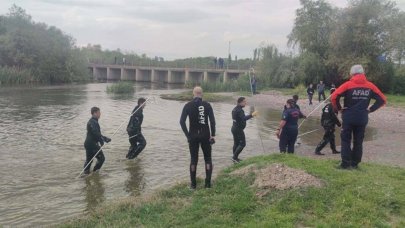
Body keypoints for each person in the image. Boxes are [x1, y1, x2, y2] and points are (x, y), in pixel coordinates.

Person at [331, 64, 386, 169]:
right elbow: (382, 99)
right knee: (358, 141)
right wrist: (370, 109)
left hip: (348, 117)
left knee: (346, 140)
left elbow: (334, 96)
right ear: (363, 73)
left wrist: (339, 108)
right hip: (362, 117)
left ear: (352, 74)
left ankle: (345, 164)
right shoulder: (370, 86)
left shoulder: (347, 85)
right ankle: (355, 163)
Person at [180, 87, 216, 189]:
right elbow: (212, 122)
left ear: (193, 94)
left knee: (193, 160)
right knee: (208, 159)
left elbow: (181, 122)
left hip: (193, 136)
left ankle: (193, 185)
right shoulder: (207, 105)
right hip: (205, 136)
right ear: (202, 94)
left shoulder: (188, 105)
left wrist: (188, 136)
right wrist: (213, 135)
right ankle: (208, 184)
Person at [83, 107, 111, 175]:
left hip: (88, 143)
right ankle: (95, 173)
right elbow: (96, 133)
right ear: (95, 113)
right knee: (101, 158)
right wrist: (103, 140)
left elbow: (96, 134)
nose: (100, 114)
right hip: (92, 144)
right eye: (99, 112)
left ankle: (86, 174)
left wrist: (104, 138)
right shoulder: (93, 122)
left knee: (89, 160)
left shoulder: (93, 121)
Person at [231, 97, 258, 163]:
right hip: (238, 130)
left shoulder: (235, 109)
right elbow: (244, 118)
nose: (246, 103)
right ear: (240, 102)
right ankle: (234, 157)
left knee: (236, 143)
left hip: (234, 128)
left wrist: (249, 115)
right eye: (244, 102)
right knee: (243, 144)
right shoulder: (239, 110)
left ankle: (235, 158)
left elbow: (240, 118)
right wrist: (252, 115)